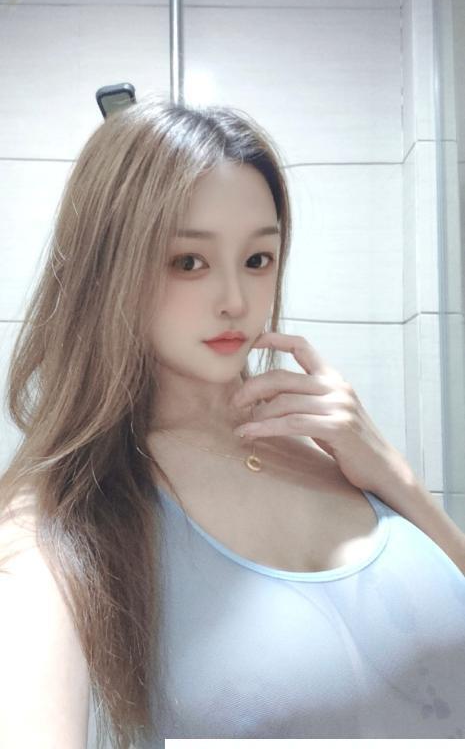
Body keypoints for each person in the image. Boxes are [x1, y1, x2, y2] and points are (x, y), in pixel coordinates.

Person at [0, 95, 464, 749]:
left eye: (257, 260)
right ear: (109, 270)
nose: (235, 300)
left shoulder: (338, 454)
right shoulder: (60, 514)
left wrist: (396, 480)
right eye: (188, 261)